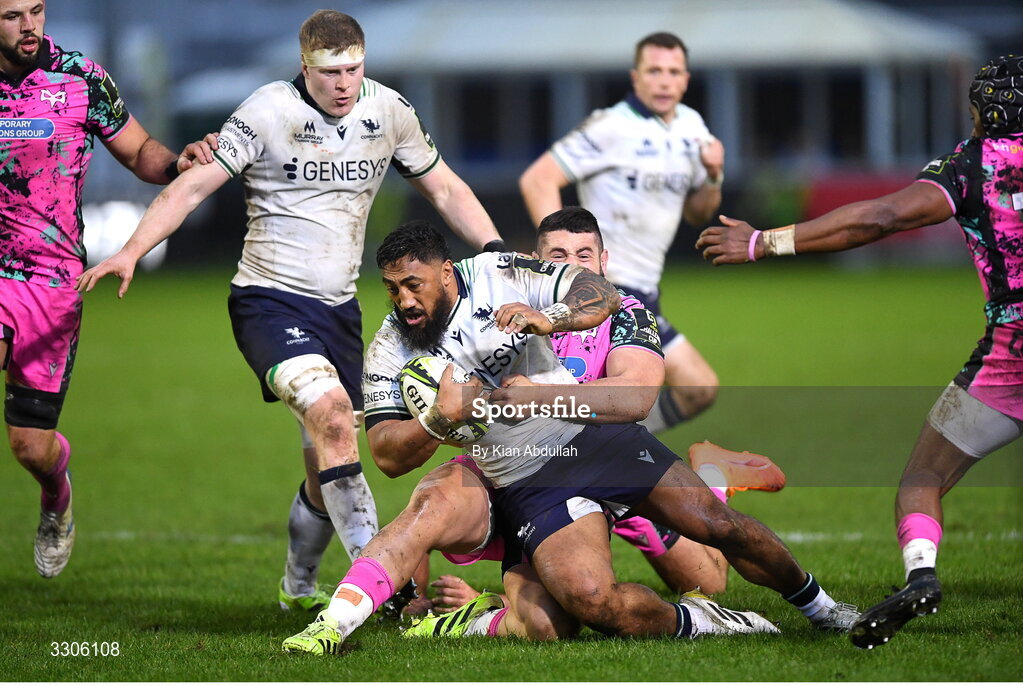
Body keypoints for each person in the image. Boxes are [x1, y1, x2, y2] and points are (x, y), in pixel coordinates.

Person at [76, 10, 504, 610]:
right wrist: (130, 251)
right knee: (334, 418)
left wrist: (493, 252)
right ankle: (381, 592)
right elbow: (194, 185)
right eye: (330, 73)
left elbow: (445, 187)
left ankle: (298, 587)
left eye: (354, 70)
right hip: (268, 301)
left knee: (324, 465)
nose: (343, 84)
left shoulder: (389, 111)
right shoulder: (266, 111)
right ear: (306, 67)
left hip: (339, 312)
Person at [283, 213, 856, 654]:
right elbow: (385, 452)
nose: (405, 300)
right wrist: (440, 418)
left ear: (447, 273)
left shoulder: (505, 275)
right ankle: (700, 621)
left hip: (595, 438)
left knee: (715, 530)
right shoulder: (390, 346)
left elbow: (606, 313)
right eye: (392, 288)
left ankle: (825, 609)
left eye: (414, 285)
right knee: (588, 605)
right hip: (526, 481)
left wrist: (549, 318)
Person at [695, 54, 1023, 650]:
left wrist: (763, 242)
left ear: (984, 112)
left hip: (1011, 357)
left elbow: (879, 218)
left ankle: (921, 575)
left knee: (922, 478)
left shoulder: (973, 164)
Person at [423, 211, 785, 618]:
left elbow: (635, 392)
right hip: (534, 471)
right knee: (439, 502)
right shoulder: (499, 319)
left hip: (610, 461)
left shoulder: (623, 311)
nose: (573, 266)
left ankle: (712, 481)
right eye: (557, 255)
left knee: (708, 581)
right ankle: (408, 602)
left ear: (603, 263)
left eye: (584, 255)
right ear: (533, 261)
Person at [0, 0, 216, 578]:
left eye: (37, 11)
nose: (28, 26)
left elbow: (139, 152)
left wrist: (178, 164)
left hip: (52, 284)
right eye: (12, 15)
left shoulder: (80, 77)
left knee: (30, 446)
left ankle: (56, 493)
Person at [519, 31, 723, 433]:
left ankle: (612, 448)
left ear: (685, 79)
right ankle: (596, 459)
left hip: (646, 291)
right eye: (654, 71)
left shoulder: (692, 127)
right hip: (606, 287)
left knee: (696, 389)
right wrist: (564, 269)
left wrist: (713, 176)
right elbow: (538, 179)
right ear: (636, 78)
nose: (664, 81)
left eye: (673, 72)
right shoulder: (610, 125)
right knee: (654, 389)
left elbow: (699, 214)